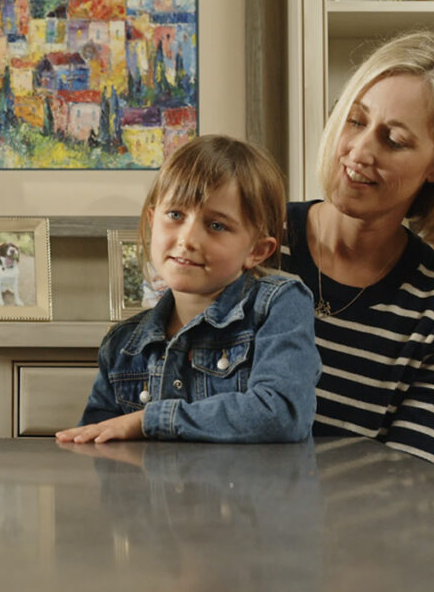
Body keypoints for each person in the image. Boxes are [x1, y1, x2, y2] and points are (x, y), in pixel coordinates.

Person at [281, 29, 434, 470]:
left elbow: (409, 487)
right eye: (356, 121)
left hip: (352, 537)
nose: (359, 151)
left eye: (393, 140)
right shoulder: (253, 239)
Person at [57, 135, 321, 444]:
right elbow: (95, 443)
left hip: (251, 493)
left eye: (216, 225)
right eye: (176, 215)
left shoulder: (279, 303)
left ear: (257, 251)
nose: (187, 239)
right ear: (152, 221)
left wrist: (150, 419)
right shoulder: (123, 345)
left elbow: (282, 413)